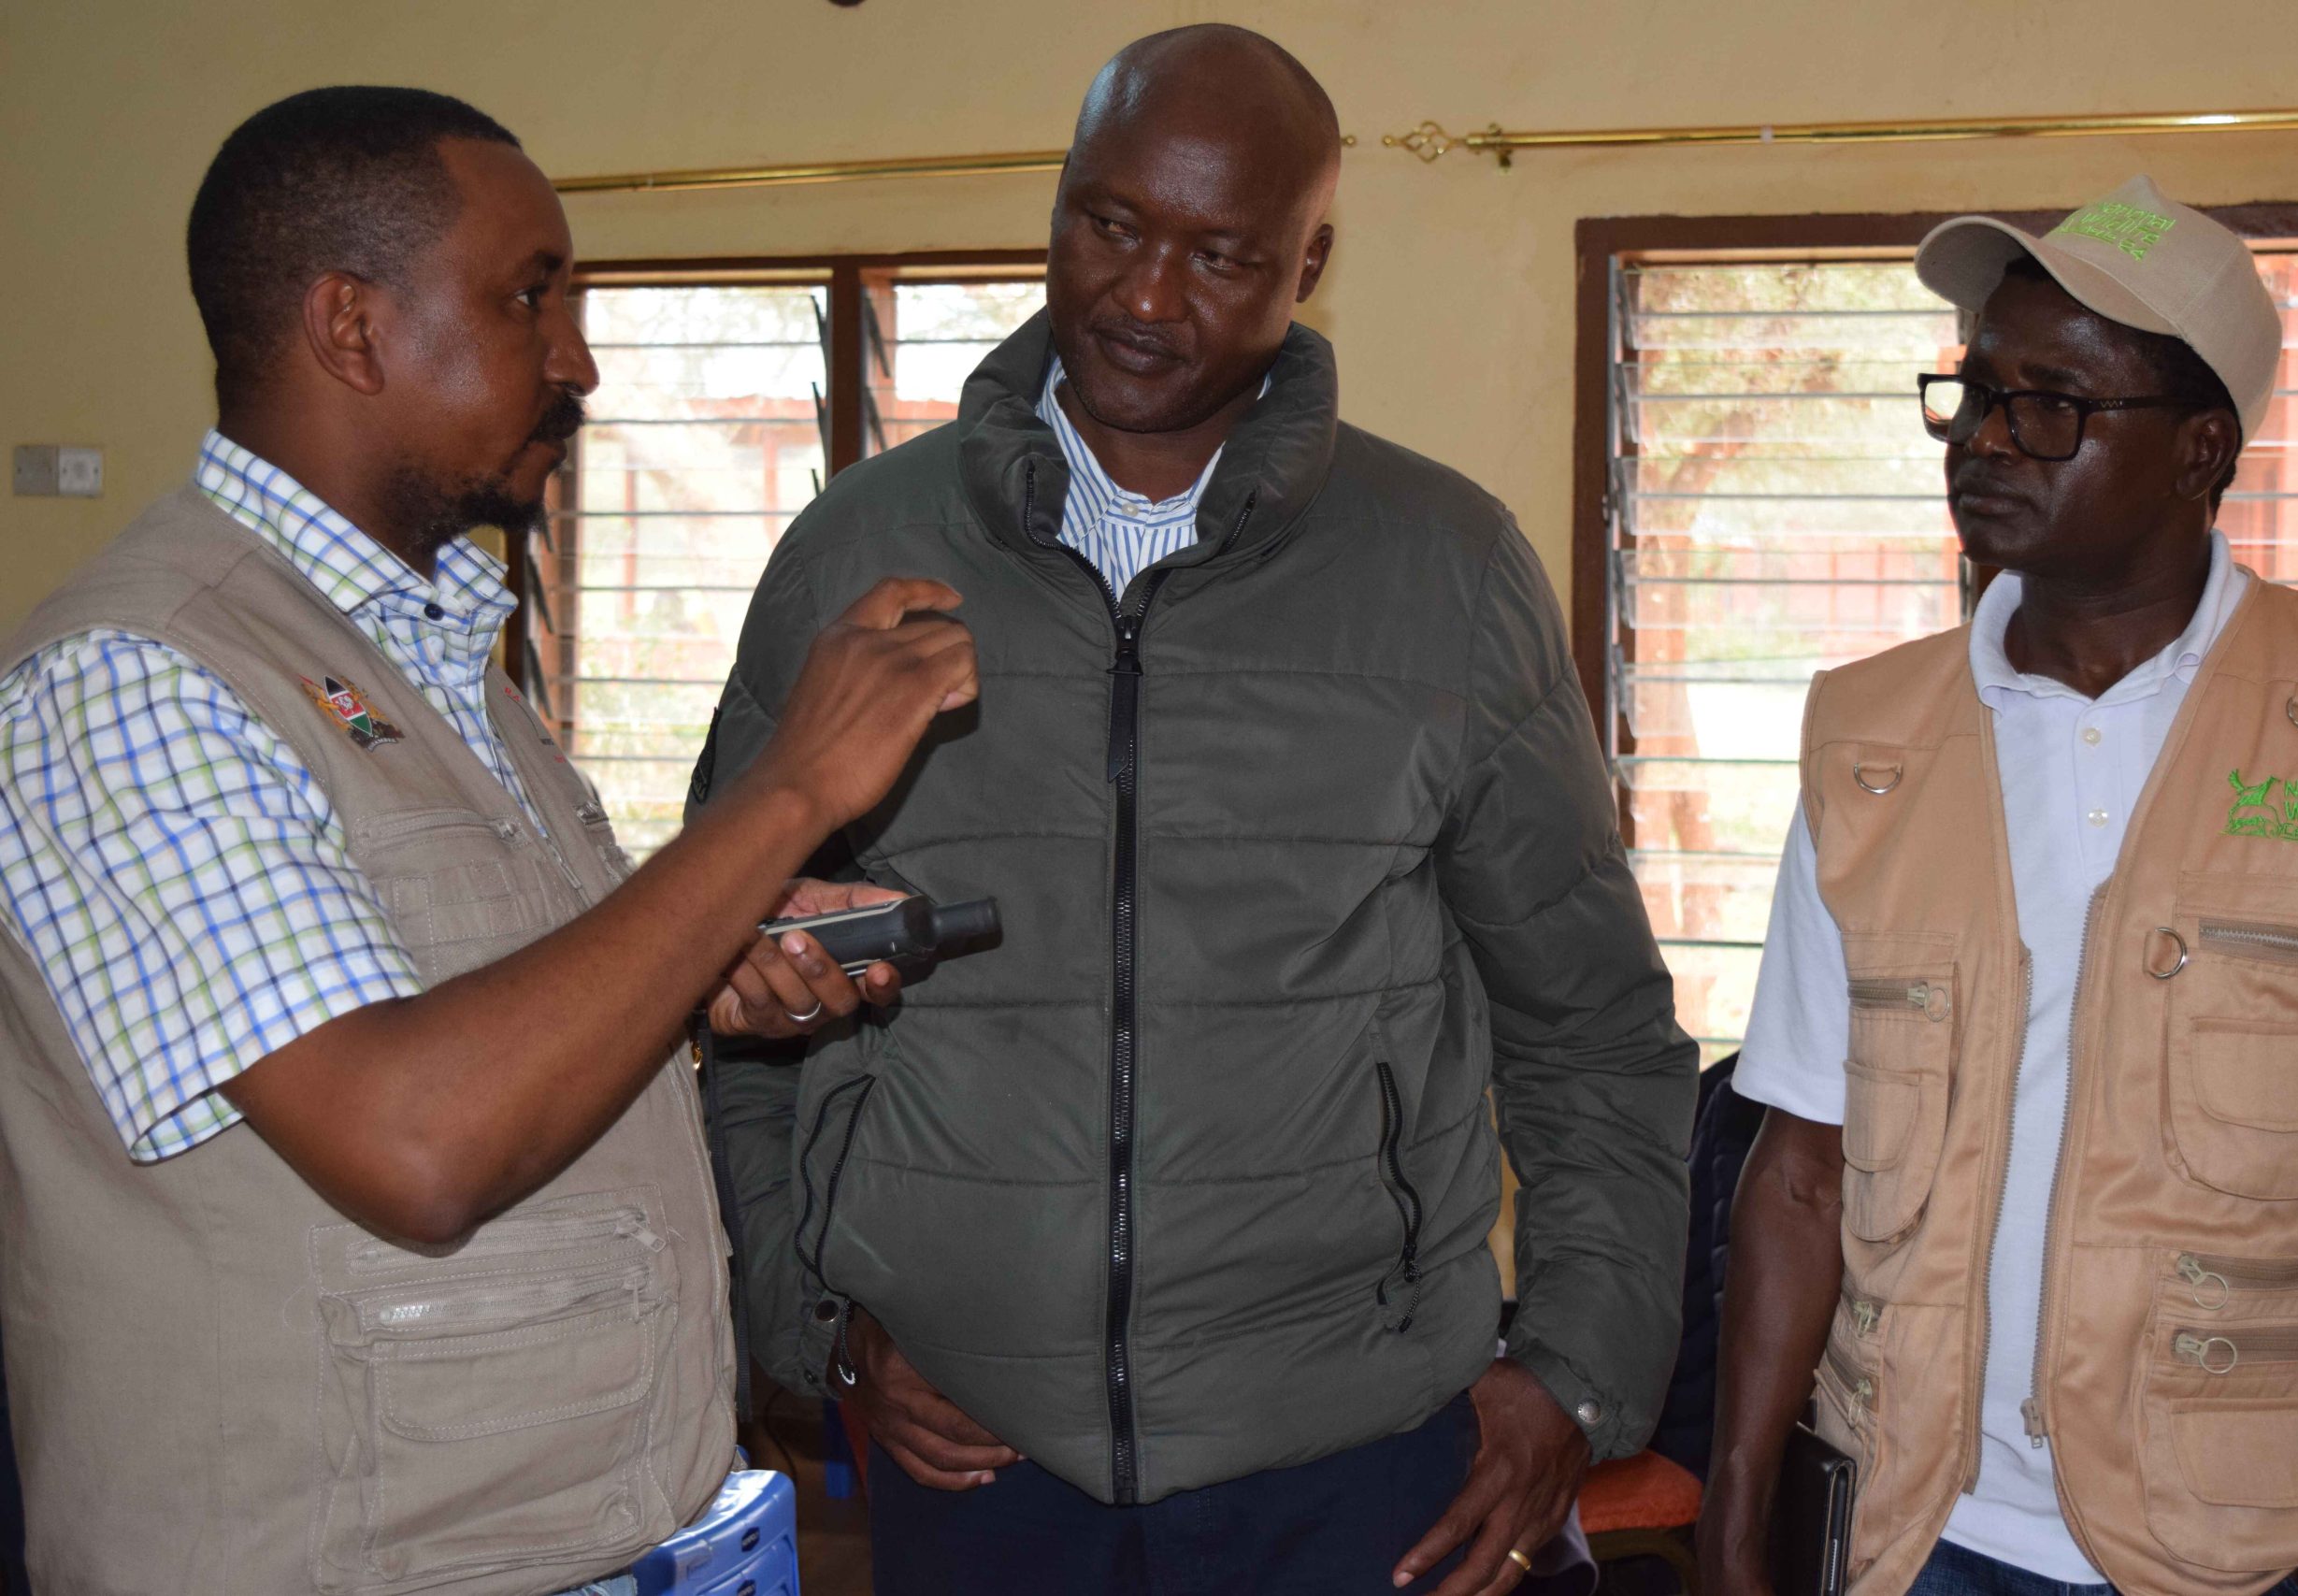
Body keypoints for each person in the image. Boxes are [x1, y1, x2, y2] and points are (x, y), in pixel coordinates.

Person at [694, 24, 1697, 1596]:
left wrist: (1574, 1373)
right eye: (1110, 225)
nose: (1147, 297)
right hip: (970, 1462)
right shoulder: (855, 554)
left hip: (1355, 1463)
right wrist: (814, 1327)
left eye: (1222, 254)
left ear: (1311, 262)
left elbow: (1594, 1032)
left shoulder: (1445, 567)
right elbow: (719, 990)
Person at [0, 87, 975, 1594]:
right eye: (531, 296)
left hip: (610, 1529)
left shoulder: (438, 662)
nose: (576, 356)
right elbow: (414, 1140)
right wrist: (786, 790)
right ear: (352, 328)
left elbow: (501, 1013)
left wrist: (714, 955)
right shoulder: (138, 675)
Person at [1696, 175, 2298, 1596]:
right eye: (1972, 393)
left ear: (2203, 452)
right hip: (1919, 1533)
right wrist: (1732, 1511)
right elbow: (1803, 1167)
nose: (1985, 442)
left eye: (2053, 403)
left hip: (2257, 1538)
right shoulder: (1869, 737)